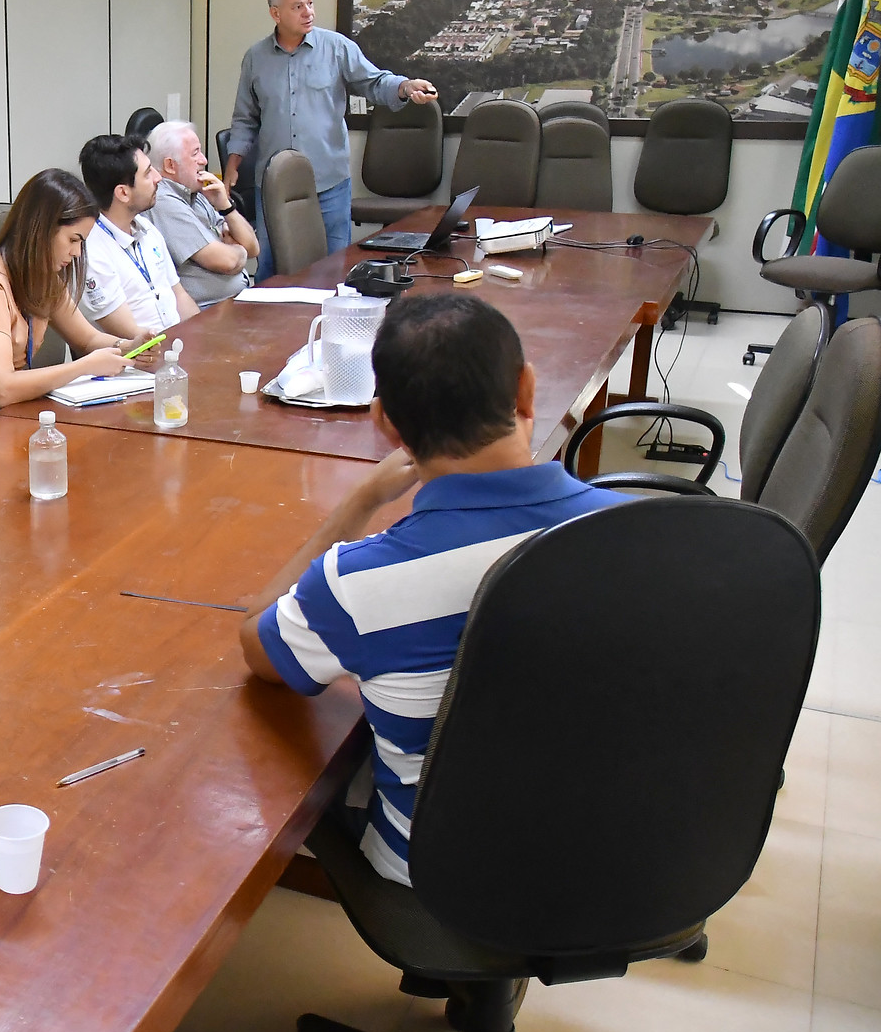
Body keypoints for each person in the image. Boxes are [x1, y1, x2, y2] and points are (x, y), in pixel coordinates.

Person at [238, 295, 626, 885]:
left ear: (386, 423)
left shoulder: (358, 585)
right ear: (526, 391)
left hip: (449, 879)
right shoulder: (644, 533)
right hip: (626, 854)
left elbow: (257, 647)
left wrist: (358, 502)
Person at [224, 0, 438, 279]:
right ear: (276, 13)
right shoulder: (255, 58)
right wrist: (233, 165)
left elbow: (374, 82)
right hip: (274, 187)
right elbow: (245, 118)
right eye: (298, 6)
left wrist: (404, 86)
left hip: (329, 182)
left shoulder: (336, 48)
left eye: (310, 3)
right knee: (271, 268)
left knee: (333, 267)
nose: (308, 12)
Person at [0, 169, 139, 448]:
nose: (77, 254)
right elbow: (2, 389)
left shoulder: (40, 276)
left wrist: (130, 345)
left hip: (6, 414)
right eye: (73, 240)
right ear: (41, 230)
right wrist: (83, 367)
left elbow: (87, 338)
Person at [76, 133, 200, 338]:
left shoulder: (146, 227)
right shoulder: (92, 250)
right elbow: (131, 337)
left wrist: (202, 336)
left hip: (177, 346)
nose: (158, 178)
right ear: (123, 193)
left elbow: (179, 295)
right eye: (148, 173)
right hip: (141, 360)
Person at [144, 120, 258, 305]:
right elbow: (226, 261)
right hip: (208, 309)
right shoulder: (163, 201)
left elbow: (253, 247)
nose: (204, 161)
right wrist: (238, 249)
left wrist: (226, 207)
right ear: (170, 165)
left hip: (235, 299)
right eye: (195, 153)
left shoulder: (196, 191)